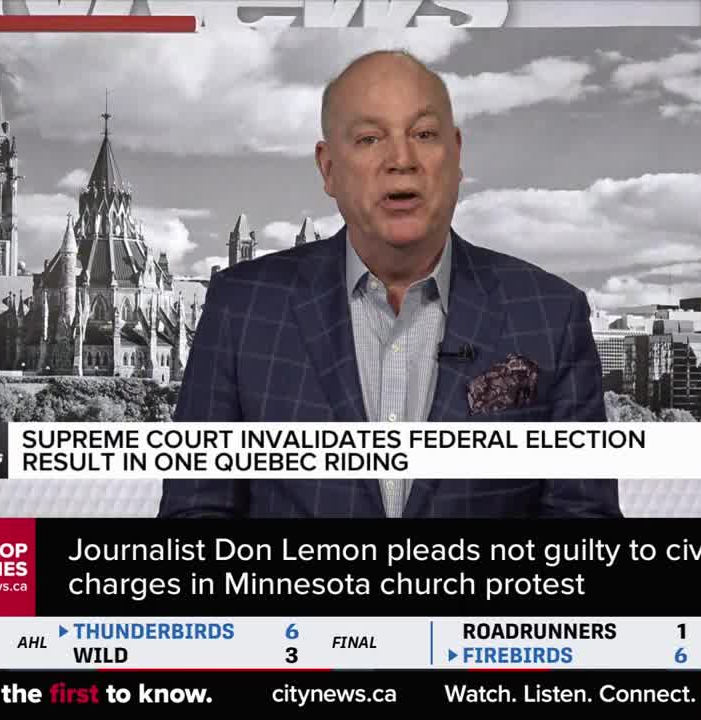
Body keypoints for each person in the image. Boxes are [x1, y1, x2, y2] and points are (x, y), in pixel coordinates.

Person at [157, 50, 621, 518]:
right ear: (329, 169)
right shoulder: (242, 308)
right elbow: (196, 511)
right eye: (369, 138)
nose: (401, 159)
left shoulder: (550, 314)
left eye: (423, 134)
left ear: (456, 155)